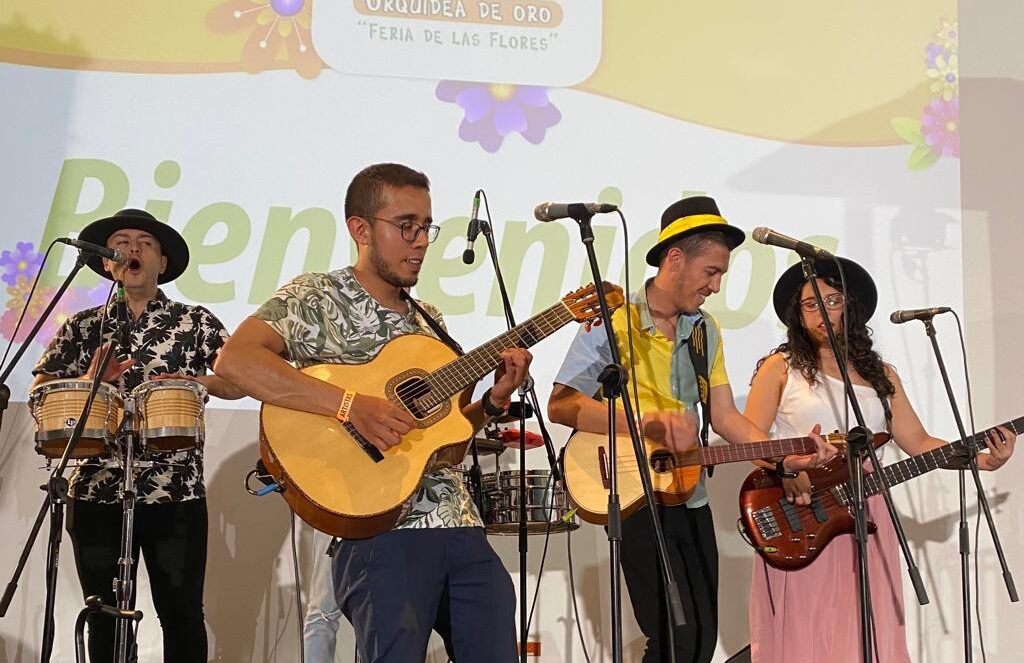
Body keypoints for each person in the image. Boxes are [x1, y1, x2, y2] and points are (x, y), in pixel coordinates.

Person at [214, 162, 531, 663]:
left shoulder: (432, 321)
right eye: (406, 226)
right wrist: (350, 406)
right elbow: (236, 359)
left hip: (460, 524)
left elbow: (443, 443)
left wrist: (492, 403)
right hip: (381, 533)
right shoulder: (315, 296)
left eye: (427, 227)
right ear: (360, 229)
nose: (421, 240)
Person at [547, 196, 836, 663]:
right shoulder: (613, 320)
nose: (716, 287)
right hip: (633, 491)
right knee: (672, 637)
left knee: (701, 638)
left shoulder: (706, 330)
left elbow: (724, 417)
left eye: (720, 274)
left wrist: (786, 456)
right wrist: (646, 425)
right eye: (711, 272)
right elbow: (560, 404)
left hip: (690, 492)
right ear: (675, 259)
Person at [743, 256, 1016, 662]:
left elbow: (918, 441)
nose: (823, 312)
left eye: (832, 301)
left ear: (849, 307)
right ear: (797, 315)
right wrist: (786, 472)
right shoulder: (780, 369)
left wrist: (980, 459)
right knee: (811, 622)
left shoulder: (880, 373)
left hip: (869, 509)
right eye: (811, 304)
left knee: (866, 624)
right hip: (805, 509)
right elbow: (751, 441)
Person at [32, 208, 245, 662]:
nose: (132, 249)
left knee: (182, 612)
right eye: (122, 242)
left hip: (176, 489)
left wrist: (198, 381)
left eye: (145, 243)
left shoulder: (194, 321)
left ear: (162, 263)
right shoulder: (83, 326)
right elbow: (39, 389)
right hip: (94, 487)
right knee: (103, 614)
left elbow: (240, 379)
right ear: (107, 262)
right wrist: (92, 381)